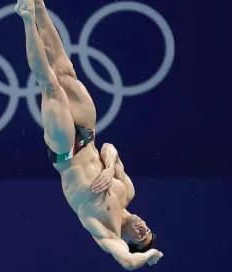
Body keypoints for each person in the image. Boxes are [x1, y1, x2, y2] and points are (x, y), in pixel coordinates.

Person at [15, 0, 163, 269]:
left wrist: (145, 256)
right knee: (65, 72)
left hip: (66, 154)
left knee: (51, 85)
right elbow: (109, 148)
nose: (143, 228)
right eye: (148, 229)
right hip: (88, 137)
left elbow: (128, 261)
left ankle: (26, 19)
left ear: (128, 239)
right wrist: (109, 169)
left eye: (141, 237)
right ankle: (38, 7)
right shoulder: (126, 191)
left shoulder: (105, 230)